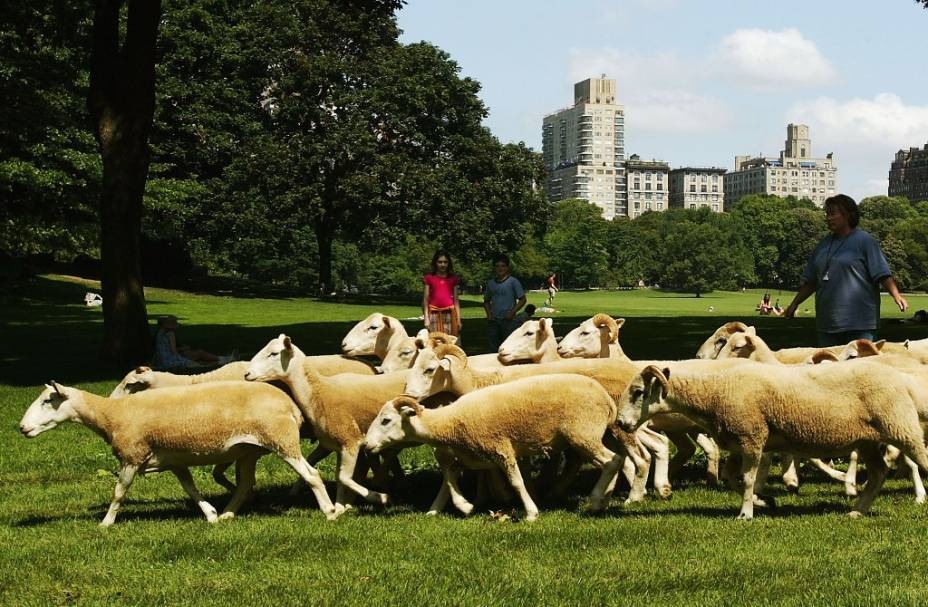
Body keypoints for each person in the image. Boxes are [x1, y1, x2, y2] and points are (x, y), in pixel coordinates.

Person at [784, 194, 908, 346]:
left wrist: (897, 296)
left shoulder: (865, 241)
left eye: (833, 213)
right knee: (829, 369)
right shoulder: (822, 245)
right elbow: (811, 282)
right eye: (827, 214)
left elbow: (882, 274)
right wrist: (794, 304)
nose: (828, 218)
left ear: (848, 215)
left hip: (861, 324)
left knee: (860, 369)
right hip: (827, 324)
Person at [483, 254, 526, 352]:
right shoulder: (491, 283)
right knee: (493, 348)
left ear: (507, 267)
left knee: (508, 347)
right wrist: (489, 314)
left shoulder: (513, 282)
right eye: (497, 266)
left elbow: (523, 299)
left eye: (503, 266)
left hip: (508, 321)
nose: (500, 268)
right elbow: (486, 301)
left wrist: (512, 312)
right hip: (494, 321)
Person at [152, 315, 227, 369]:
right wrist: (183, 355)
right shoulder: (170, 334)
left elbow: (165, 348)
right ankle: (222, 362)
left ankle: (222, 361)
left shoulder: (159, 332)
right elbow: (173, 351)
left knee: (198, 359)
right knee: (198, 365)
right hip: (169, 361)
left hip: (161, 360)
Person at [422, 249, 462, 337]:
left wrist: (458, 319)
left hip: (449, 313)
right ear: (435, 263)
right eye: (440, 262)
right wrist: (426, 318)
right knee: (435, 340)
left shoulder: (453, 279)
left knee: (450, 341)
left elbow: (456, 301)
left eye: (445, 262)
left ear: (449, 263)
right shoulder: (429, 278)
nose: (443, 265)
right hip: (433, 314)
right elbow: (425, 299)